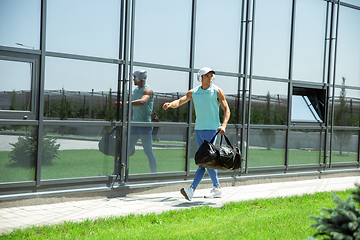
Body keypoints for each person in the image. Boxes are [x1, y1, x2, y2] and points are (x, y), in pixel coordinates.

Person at [162, 67, 230, 201]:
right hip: (199, 130)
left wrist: (223, 125)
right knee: (206, 160)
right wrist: (170, 104)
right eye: (207, 76)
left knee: (204, 159)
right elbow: (180, 101)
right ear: (200, 78)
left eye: (211, 76)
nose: (210, 78)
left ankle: (192, 190)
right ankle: (216, 188)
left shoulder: (217, 91)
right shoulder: (194, 92)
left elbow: (227, 109)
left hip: (212, 130)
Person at [115, 70, 157, 173]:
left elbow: (142, 102)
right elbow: (135, 108)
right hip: (134, 126)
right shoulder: (135, 91)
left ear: (139, 78)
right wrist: (128, 118)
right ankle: (116, 173)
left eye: (134, 77)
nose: (133, 79)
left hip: (144, 126)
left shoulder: (147, 90)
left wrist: (125, 103)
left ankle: (154, 175)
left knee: (148, 151)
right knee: (125, 151)